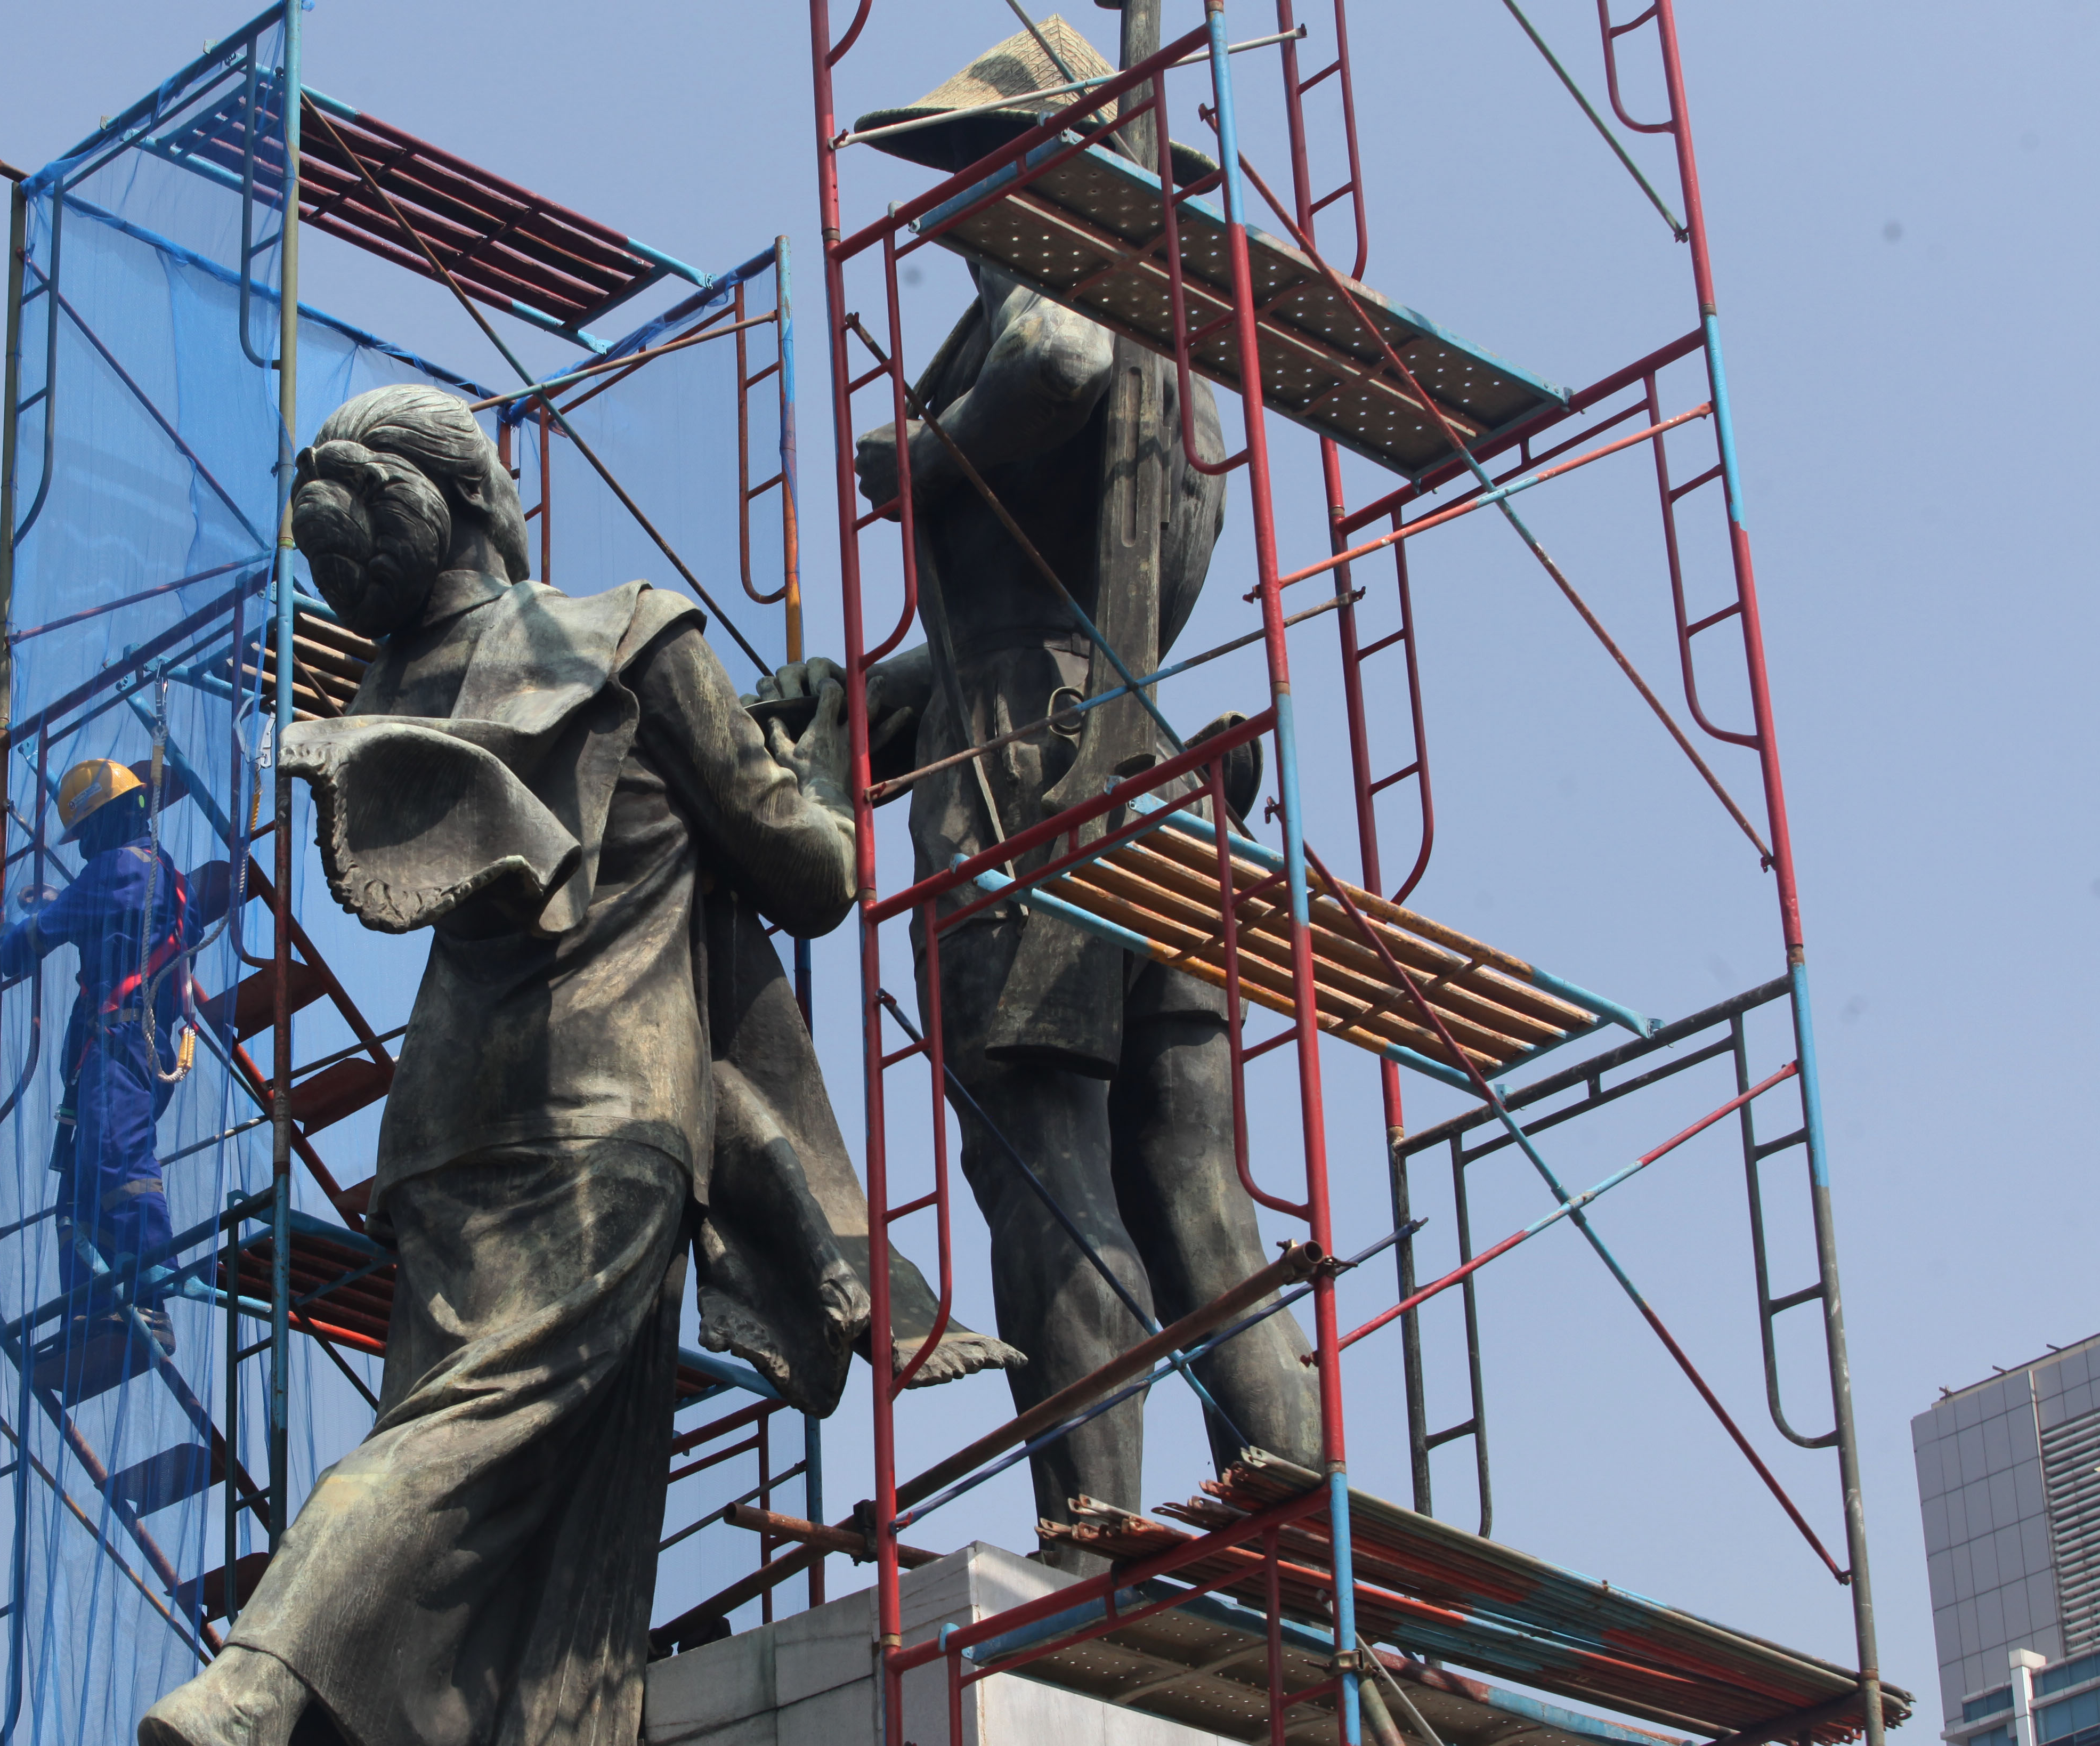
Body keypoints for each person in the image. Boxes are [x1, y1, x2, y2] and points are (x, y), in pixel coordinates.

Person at [138, 384, 1006, 1746]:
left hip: (442, 1129)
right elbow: (811, 871)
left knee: (492, 1461)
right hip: (607, 1116)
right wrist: (826, 752)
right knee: (481, 1426)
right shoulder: (628, 633)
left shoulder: (390, 690)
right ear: (487, 499)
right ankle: (256, 1684)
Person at [849, 8, 1321, 1557]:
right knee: (1196, 1181)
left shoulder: (1049, 315)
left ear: (1022, 169)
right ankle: (1297, 1500)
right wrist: (867, 704)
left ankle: (1096, 1519)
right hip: (1156, 785)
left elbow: (1052, 357)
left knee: (1051, 1175)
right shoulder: (1184, 375)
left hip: (1025, 785)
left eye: (972, 171)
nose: (952, 215)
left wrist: (924, 457)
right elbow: (1039, 606)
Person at [0, 756, 228, 1340]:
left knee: (118, 1163)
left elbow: (33, 942)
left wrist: (9, 936)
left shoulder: (113, 870)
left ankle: (148, 1289)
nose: (83, 849)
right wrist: (65, 901)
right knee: (80, 1188)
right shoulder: (164, 876)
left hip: (120, 1046)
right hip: (138, 1051)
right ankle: (93, 1306)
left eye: (84, 835)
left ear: (96, 826)